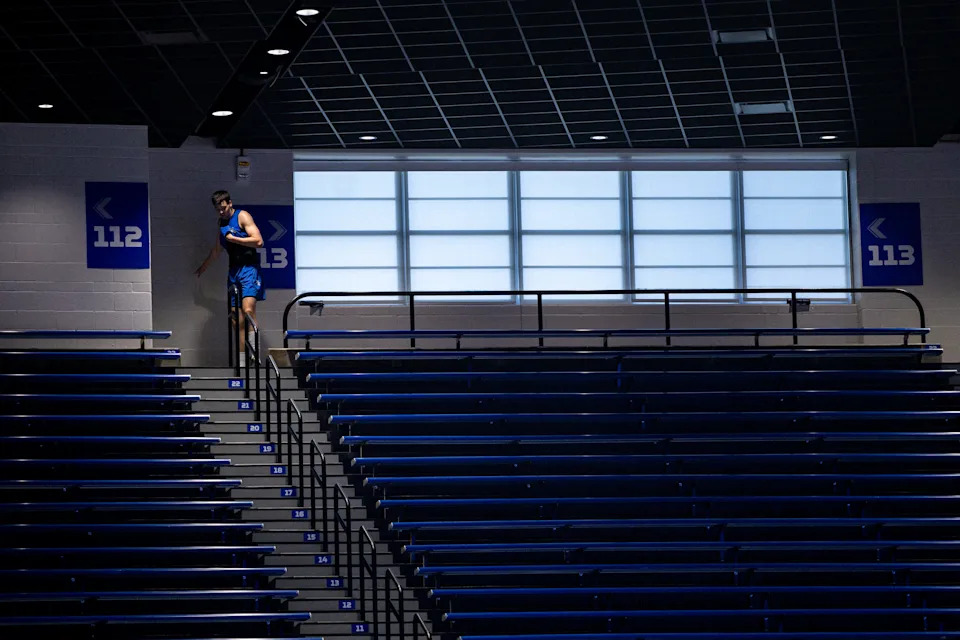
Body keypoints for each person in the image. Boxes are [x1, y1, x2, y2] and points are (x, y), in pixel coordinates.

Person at [195, 190, 264, 359]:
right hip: (233, 271)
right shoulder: (221, 223)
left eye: (224, 208)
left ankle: (254, 352)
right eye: (218, 209)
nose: (221, 212)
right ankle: (242, 360)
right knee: (235, 319)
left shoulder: (242, 216)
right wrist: (202, 268)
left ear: (230, 203)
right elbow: (217, 251)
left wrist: (235, 239)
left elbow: (259, 241)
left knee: (248, 309)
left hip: (249, 269)